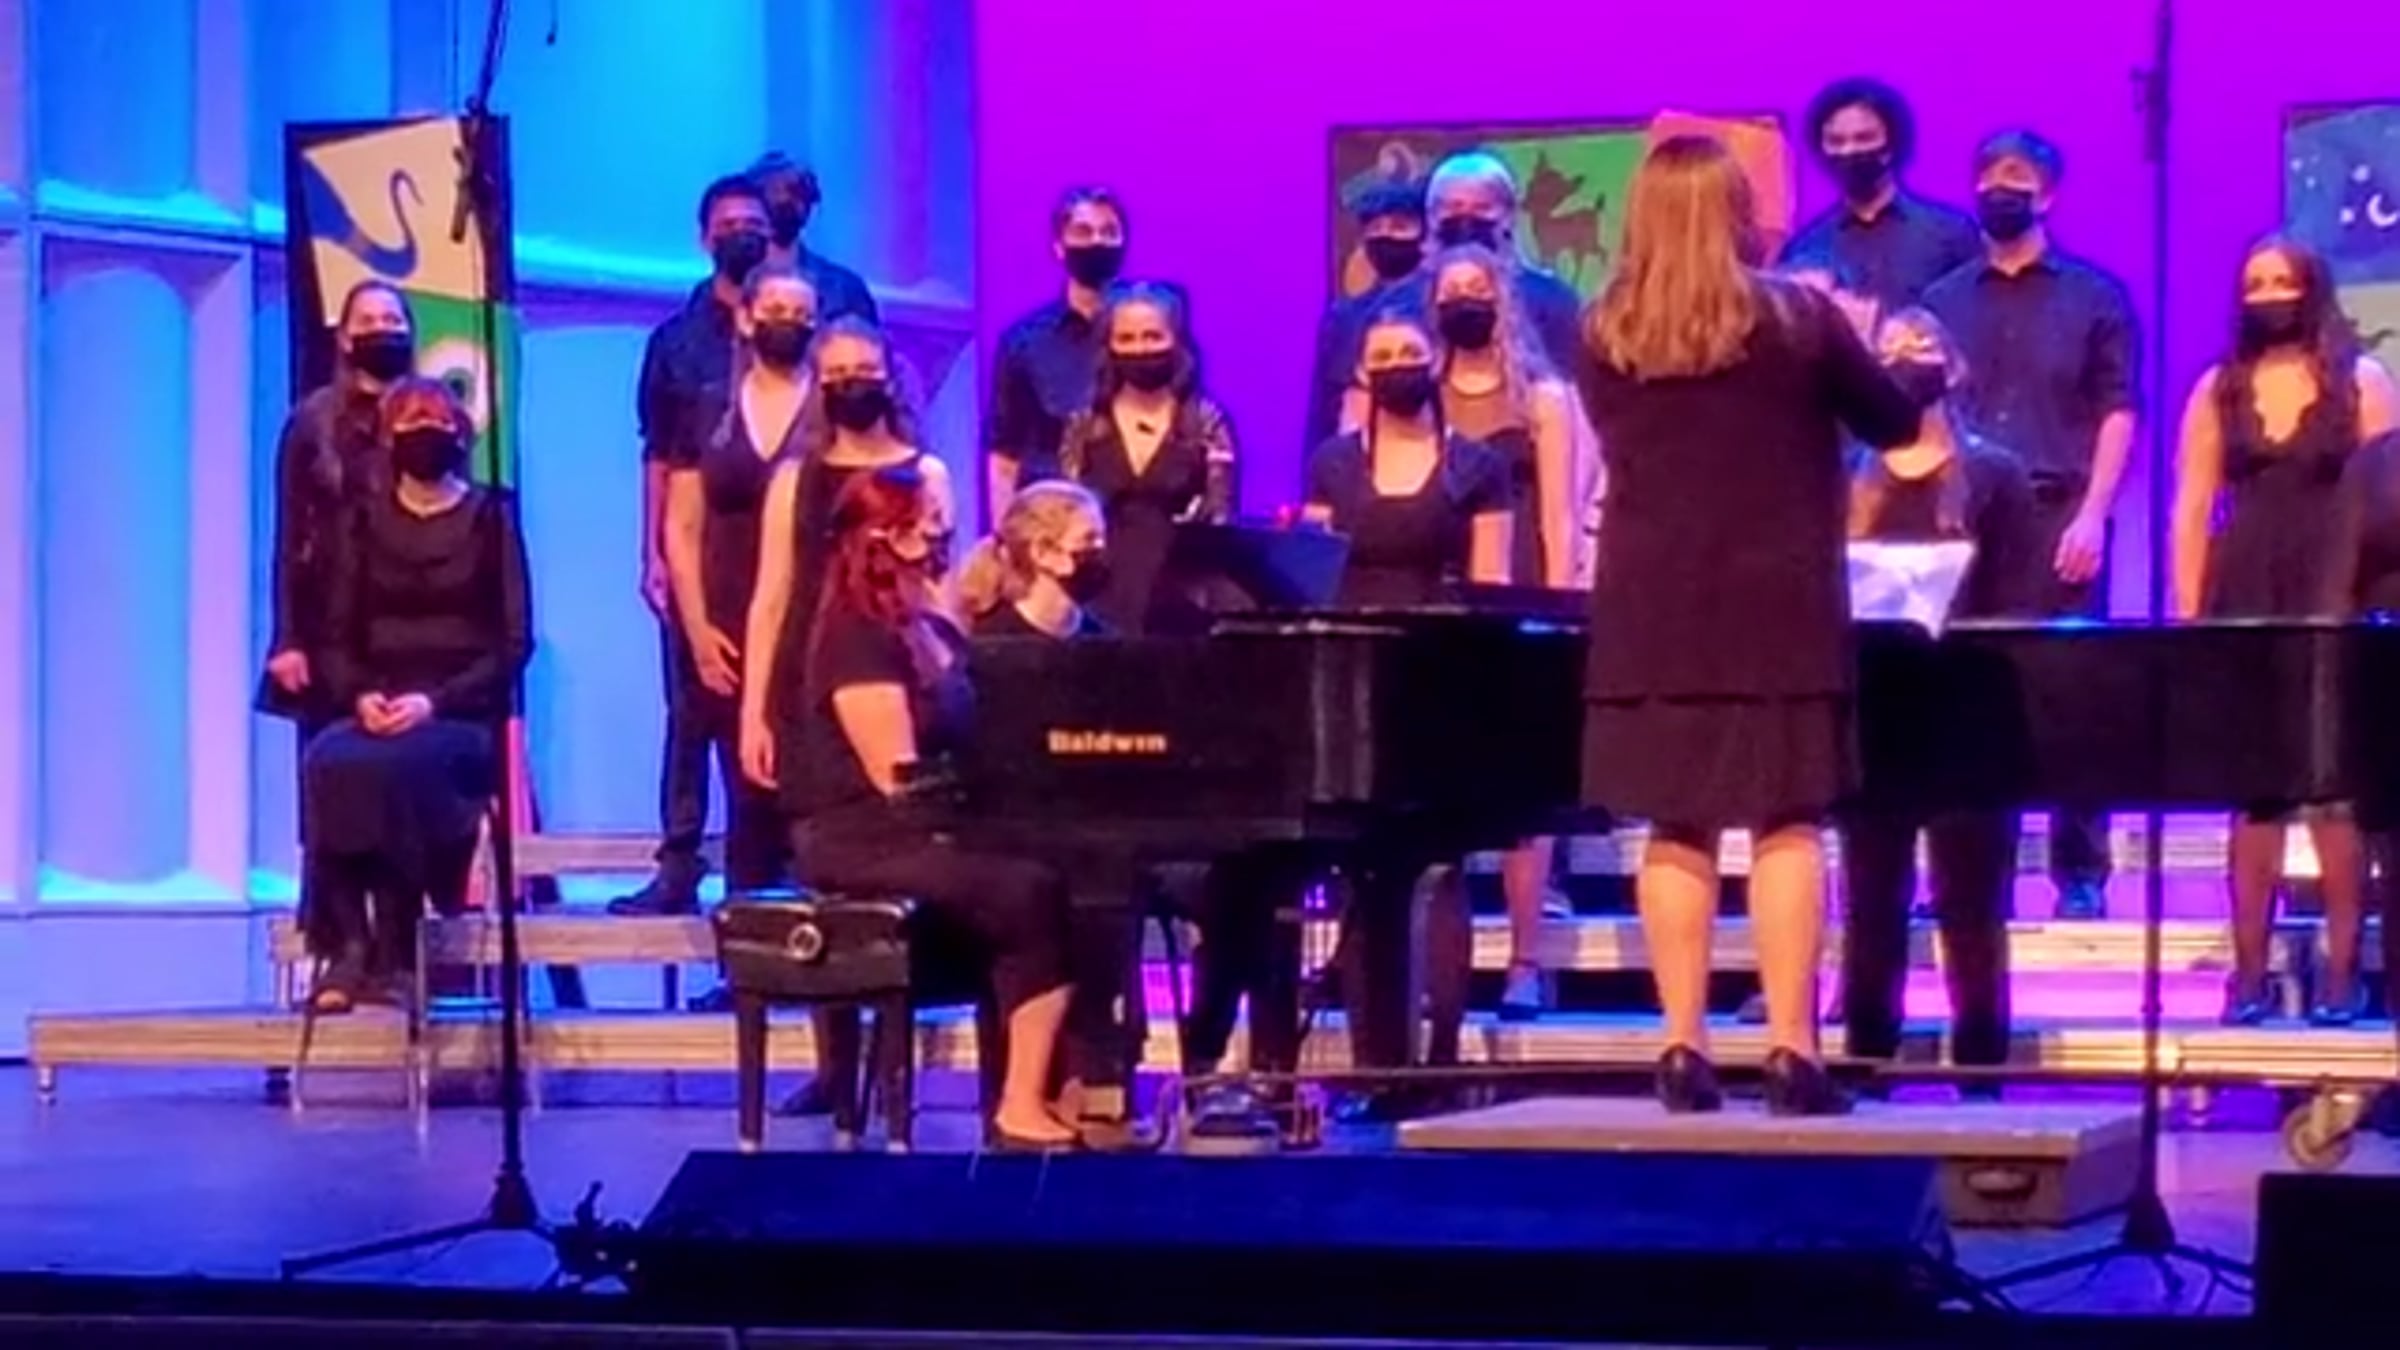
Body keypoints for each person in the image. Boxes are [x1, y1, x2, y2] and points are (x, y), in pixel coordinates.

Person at [1579, 134, 1920, 1117]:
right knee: (1788, 818)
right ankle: (1790, 1050)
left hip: (1652, 608)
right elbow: (1894, 424)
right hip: (1778, 607)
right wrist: (1878, 345)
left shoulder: (1604, 331)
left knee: (1675, 823)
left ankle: (1682, 1047)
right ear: (1733, 212)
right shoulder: (1800, 319)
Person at [786, 463, 1079, 1148]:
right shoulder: (856, 636)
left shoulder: (931, 626)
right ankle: (1019, 1103)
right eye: (926, 523)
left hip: (927, 830)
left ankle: (1067, 1088)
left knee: (1072, 873)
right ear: (883, 536)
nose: (943, 533)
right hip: (864, 839)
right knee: (1027, 888)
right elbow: (900, 779)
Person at [2169, 237, 2400, 1025]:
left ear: (2313, 289)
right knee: (2256, 793)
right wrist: (2190, 615)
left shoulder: (2361, 381)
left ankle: (2341, 979)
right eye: (2254, 283)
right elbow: (2192, 506)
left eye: (2282, 281)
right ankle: (2246, 980)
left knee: (2337, 793)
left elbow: (2386, 497)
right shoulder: (2219, 387)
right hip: (2247, 597)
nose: (2268, 294)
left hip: (2338, 594)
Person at [1925, 130, 2141, 922]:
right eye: (1987, 177)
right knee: (1964, 699)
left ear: (2047, 194)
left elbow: (2117, 411)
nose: (1998, 190)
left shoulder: (2095, 296)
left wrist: (2094, 515)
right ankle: (1966, 872)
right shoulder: (1942, 300)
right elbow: (1926, 411)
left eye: (2014, 178)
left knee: (2072, 695)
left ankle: (2080, 872)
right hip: (1968, 520)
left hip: (2059, 516)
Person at [1306, 306, 1514, 1070]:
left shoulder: (1478, 465)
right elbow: (1314, 569)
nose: (1398, 365)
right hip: (1351, 685)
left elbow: (1492, 582)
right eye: (1383, 356)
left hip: (1442, 677)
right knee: (1363, 871)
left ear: (1433, 362)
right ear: (1363, 374)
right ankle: (1375, 1061)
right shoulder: (1332, 463)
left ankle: (1444, 1055)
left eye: (1410, 352)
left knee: (1442, 866)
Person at [1841, 308, 2044, 1085]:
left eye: (1922, 344)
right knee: (1872, 902)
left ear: (1953, 367)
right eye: (1890, 349)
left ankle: (1982, 1069)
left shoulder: (1996, 474)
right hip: (1878, 711)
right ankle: (1866, 1060)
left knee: (1973, 906)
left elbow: (2021, 601)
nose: (1907, 358)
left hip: (1969, 712)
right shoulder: (1846, 475)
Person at [301, 378, 532, 1011]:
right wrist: (362, 697)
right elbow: (337, 636)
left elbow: (513, 643)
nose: (424, 434)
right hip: (378, 705)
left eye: (437, 422)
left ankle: (396, 949)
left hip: (457, 715)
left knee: (401, 769)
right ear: (387, 439)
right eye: (409, 423)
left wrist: (434, 702)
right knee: (330, 760)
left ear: (461, 435)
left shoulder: (491, 519)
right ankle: (348, 944)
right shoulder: (361, 521)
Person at [1419, 243, 1590, 1017]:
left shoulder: (1542, 398)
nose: (1464, 299)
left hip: (1518, 593)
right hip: (1431, 594)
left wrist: (1563, 610)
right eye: (1451, 289)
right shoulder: (1419, 394)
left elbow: (1559, 515)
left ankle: (1526, 961)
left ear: (1503, 299)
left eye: (1477, 287)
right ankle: (1431, 970)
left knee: (1525, 789)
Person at [616, 173, 776, 916]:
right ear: (705, 237)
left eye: (753, 222)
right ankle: (678, 864)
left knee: (764, 714)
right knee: (688, 713)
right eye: (728, 223)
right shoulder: (676, 342)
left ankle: (760, 877)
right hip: (696, 552)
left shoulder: (792, 326)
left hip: (773, 551)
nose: (740, 233)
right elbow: (657, 453)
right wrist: (651, 551)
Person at [264, 281, 419, 962]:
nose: (382, 328)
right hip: (326, 628)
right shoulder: (313, 421)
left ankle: (393, 943)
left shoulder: (427, 413)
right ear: (345, 335)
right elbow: (288, 534)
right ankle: (339, 937)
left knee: (390, 786)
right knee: (328, 783)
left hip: (401, 626)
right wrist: (286, 638)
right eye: (369, 319)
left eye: (393, 318)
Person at [660, 264, 821, 900]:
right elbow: (681, 525)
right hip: (724, 616)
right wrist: (697, 630)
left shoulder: (829, 407)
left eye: (801, 314)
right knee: (744, 783)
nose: (788, 323)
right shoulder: (708, 405)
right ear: (747, 319)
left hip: (811, 617)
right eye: (775, 311)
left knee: (802, 785)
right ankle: (749, 937)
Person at [1054, 282, 1238, 634]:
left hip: (1182, 601)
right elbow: (1067, 513)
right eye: (1126, 339)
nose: (1140, 348)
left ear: (1177, 341)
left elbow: (1220, 518)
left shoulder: (1206, 423)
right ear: (1108, 346)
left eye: (1153, 336)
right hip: (1100, 600)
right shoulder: (1084, 426)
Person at [984, 187, 1127, 513]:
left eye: (1109, 232)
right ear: (1059, 247)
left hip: (1131, 518)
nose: (1097, 242)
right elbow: (1005, 453)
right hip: (1051, 517)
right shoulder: (1025, 342)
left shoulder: (1153, 337)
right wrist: (1004, 532)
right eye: (1083, 232)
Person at [1784, 78, 1981, 313]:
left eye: (1864, 138)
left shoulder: (1950, 234)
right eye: (1836, 141)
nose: (1849, 150)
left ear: (1893, 144)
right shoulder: (1806, 247)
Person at [1423, 151, 1585, 380]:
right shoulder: (1404, 298)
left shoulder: (1554, 300)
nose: (1466, 218)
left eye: (1481, 208)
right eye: (1452, 208)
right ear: (1431, 216)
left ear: (1509, 216)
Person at [1304, 172, 1430, 455]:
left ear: (1424, 234)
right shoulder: (1343, 318)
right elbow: (1324, 410)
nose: (1386, 236)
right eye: (1376, 228)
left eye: (1399, 227)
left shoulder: (1437, 307)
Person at [956, 480, 1113, 638]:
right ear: (1042, 553)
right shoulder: (986, 640)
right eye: (1088, 538)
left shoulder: (1105, 641)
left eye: (1101, 537)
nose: (1101, 546)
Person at [748, 151, 879, 324]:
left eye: (798, 192)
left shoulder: (845, 290)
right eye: (774, 190)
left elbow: (866, 340)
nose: (786, 199)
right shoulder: (731, 281)